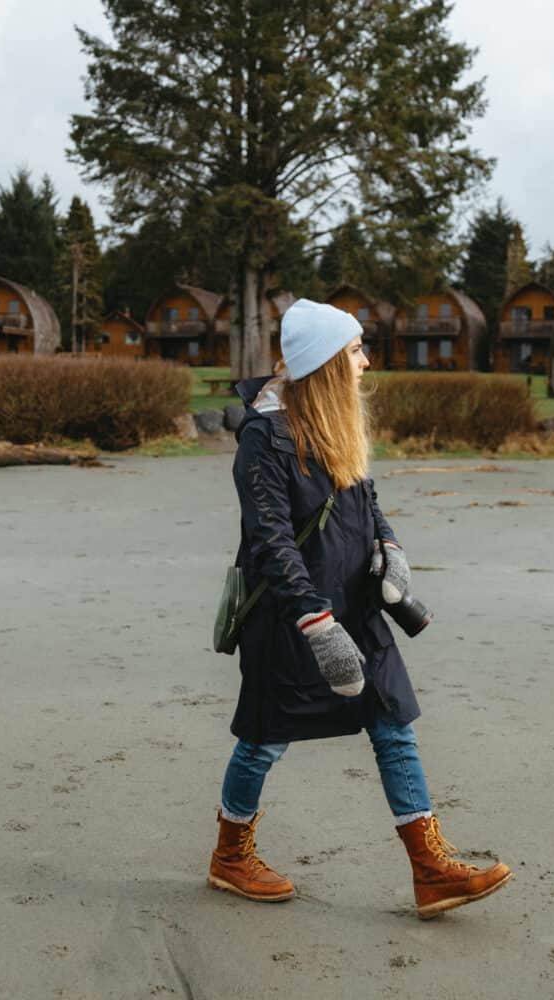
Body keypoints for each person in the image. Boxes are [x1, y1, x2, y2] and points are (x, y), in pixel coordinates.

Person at [207, 299, 512, 920]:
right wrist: (317, 625)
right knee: (264, 741)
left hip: (359, 608)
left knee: (393, 725)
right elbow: (269, 543)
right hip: (294, 619)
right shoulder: (263, 438)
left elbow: (366, 501)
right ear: (325, 363)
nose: (366, 361)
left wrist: (391, 552)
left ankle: (431, 872)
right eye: (355, 351)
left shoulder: (337, 424)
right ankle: (231, 857)